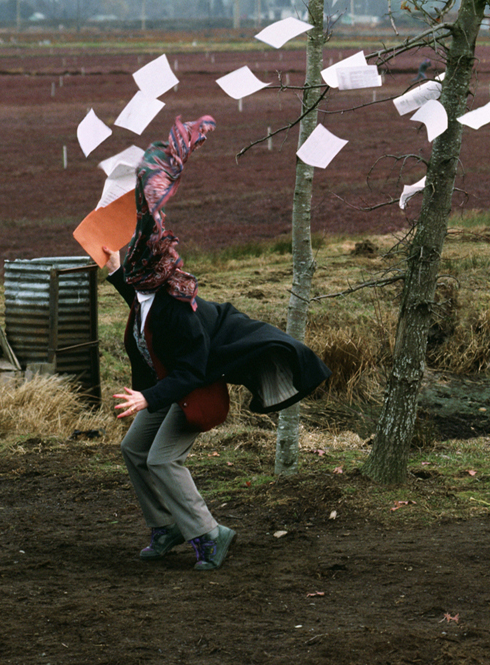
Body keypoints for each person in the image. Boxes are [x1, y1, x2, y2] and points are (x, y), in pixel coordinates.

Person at [104, 117, 331, 570]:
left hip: (196, 390)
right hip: (169, 387)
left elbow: (190, 370)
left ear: (152, 270)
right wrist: (113, 270)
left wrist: (147, 397)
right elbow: (140, 302)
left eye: (131, 261)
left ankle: (210, 534)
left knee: (164, 460)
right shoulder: (150, 290)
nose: (130, 261)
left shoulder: (176, 310)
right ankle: (166, 526)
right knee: (134, 451)